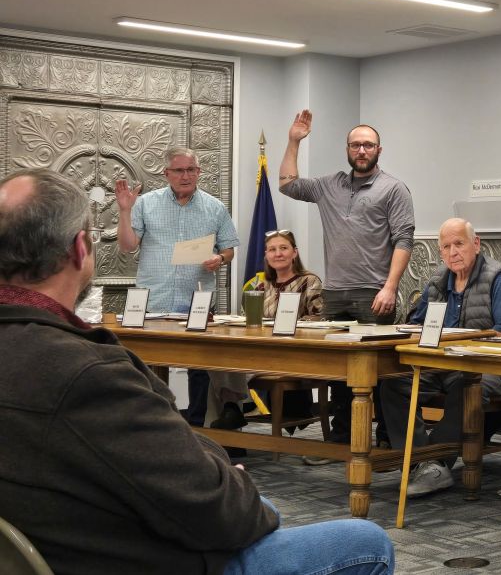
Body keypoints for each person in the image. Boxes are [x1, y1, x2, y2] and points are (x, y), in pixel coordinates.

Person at [0, 169, 393, 575]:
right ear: (80, 249)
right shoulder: (88, 372)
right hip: (137, 557)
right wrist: (230, 480)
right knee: (367, 542)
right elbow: (222, 510)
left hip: (52, 540)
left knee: (261, 502)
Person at [279, 110, 415, 456]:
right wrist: (294, 140)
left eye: (368, 145)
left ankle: (386, 439)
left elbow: (403, 240)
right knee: (342, 375)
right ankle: (343, 442)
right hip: (335, 295)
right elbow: (286, 183)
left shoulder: (393, 189)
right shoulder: (328, 186)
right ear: (347, 149)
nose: (362, 150)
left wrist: (390, 287)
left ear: (379, 150)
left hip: (374, 294)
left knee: (380, 375)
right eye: (356, 145)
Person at [381, 218, 501, 497]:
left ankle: (434, 463)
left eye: (459, 244)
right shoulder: (436, 281)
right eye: (446, 247)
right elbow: (417, 323)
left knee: (468, 387)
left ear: (476, 244)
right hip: (439, 365)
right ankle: (427, 464)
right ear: (440, 252)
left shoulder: (496, 277)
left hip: (484, 367)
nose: (453, 252)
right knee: (392, 383)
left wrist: (465, 341)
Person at [116, 147, 239, 425]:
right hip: (153, 297)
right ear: (167, 173)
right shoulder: (146, 203)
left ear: (199, 172)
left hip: (196, 298)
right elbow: (127, 246)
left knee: (199, 366)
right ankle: (153, 424)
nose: (186, 176)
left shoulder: (215, 207)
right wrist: (125, 211)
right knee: (148, 364)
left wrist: (219, 258)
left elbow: (229, 248)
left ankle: (196, 426)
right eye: (179, 170)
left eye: (191, 170)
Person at [207, 229, 326, 430]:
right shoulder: (260, 284)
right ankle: (228, 428)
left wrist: (291, 326)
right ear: (266, 255)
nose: (277, 254)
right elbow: (247, 320)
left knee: (229, 367)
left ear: (294, 253)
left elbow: (320, 320)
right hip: (262, 348)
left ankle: (231, 414)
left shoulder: (309, 281)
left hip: (294, 351)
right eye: (272, 249)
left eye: (283, 248)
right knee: (218, 358)